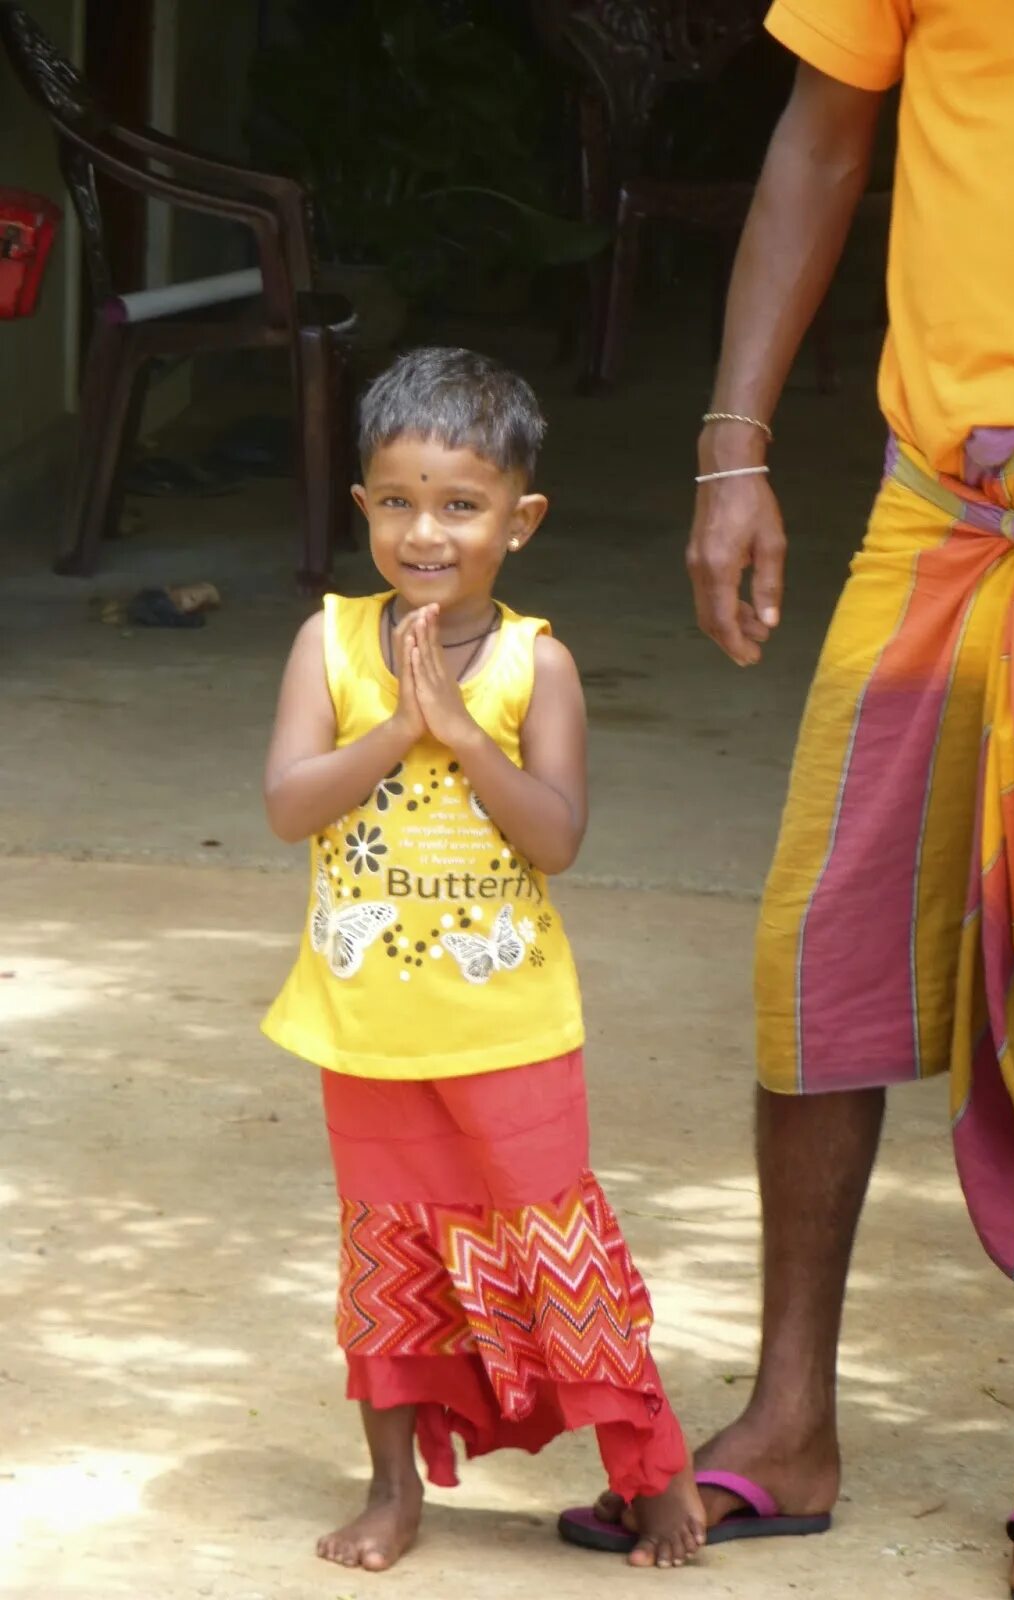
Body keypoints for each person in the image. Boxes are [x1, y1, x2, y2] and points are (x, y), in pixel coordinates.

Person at [568, 4, 1014, 1596]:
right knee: (821, 961)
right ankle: (790, 1419)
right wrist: (732, 449)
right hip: (944, 516)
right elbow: (820, 137)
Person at [260, 347, 705, 1573]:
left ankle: (651, 1473)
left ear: (523, 518)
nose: (426, 532)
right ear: (362, 508)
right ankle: (395, 1489)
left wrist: (461, 735)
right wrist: (398, 725)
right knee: (386, 1259)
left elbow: (555, 835)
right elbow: (291, 803)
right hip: (368, 1031)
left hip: (510, 1028)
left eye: (461, 505)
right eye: (397, 501)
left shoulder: (536, 663)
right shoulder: (334, 643)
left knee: (559, 1245)